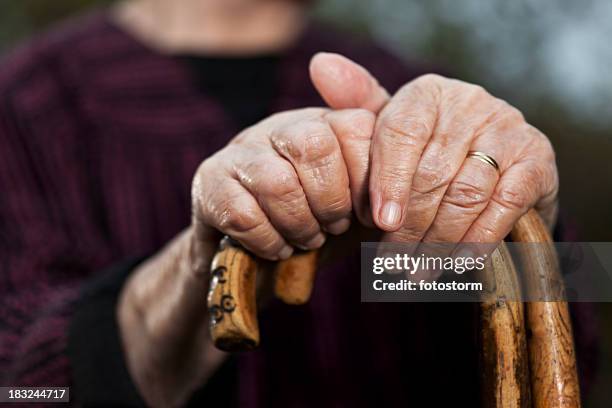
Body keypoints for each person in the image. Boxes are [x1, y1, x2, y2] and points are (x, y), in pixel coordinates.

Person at [0, 0, 597, 406]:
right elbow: (25, 387)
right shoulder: (29, 111)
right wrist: (193, 280)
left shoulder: (413, 87)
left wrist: (503, 226)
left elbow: (585, 329)